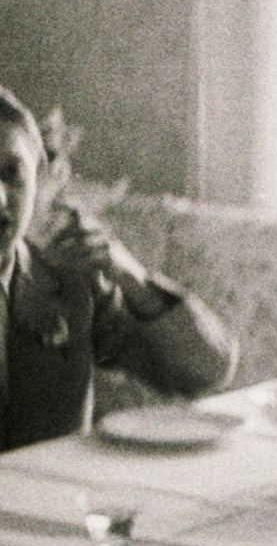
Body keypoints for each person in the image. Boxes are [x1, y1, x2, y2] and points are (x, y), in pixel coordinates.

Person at [0, 85, 237, 451]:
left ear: (38, 177)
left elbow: (205, 372)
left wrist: (129, 275)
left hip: (51, 501)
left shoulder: (65, 285)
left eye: (11, 173)